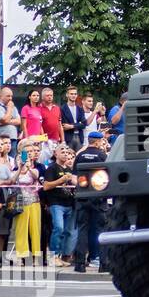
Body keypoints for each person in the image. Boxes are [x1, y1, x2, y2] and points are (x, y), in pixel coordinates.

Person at [72, 132, 107, 273]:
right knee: (101, 231)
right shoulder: (103, 156)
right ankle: (103, 264)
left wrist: (81, 188)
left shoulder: (80, 156)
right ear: (98, 142)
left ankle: (80, 264)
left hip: (82, 197)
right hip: (98, 197)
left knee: (82, 230)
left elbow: (74, 177)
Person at [42, 145, 77, 265]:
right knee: (58, 228)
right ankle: (53, 256)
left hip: (69, 203)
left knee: (68, 231)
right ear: (55, 154)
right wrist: (61, 180)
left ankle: (62, 256)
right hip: (56, 203)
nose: (65, 153)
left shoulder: (70, 169)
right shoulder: (52, 168)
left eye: (67, 151)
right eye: (62, 151)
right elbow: (46, 186)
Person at [10, 141, 44, 262]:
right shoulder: (15, 167)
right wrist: (20, 167)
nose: (30, 154)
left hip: (34, 200)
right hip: (20, 201)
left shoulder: (37, 167)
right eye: (27, 152)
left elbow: (36, 177)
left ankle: (36, 256)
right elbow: (12, 181)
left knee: (35, 229)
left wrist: (29, 166)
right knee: (21, 230)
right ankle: (21, 255)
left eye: (31, 151)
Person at [0, 86, 21, 154]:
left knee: (12, 157)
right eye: (8, 96)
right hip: (1, 139)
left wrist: (4, 122)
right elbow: (4, 120)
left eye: (11, 96)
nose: (10, 98)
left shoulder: (14, 107)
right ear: (1, 96)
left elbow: (19, 121)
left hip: (13, 137)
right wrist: (9, 108)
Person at [60, 87, 86, 151]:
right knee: (69, 157)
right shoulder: (62, 109)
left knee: (79, 159)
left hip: (79, 137)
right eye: (71, 94)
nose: (73, 96)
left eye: (75, 94)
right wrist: (78, 124)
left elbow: (84, 124)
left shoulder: (80, 109)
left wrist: (72, 126)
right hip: (68, 138)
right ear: (67, 95)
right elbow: (65, 126)